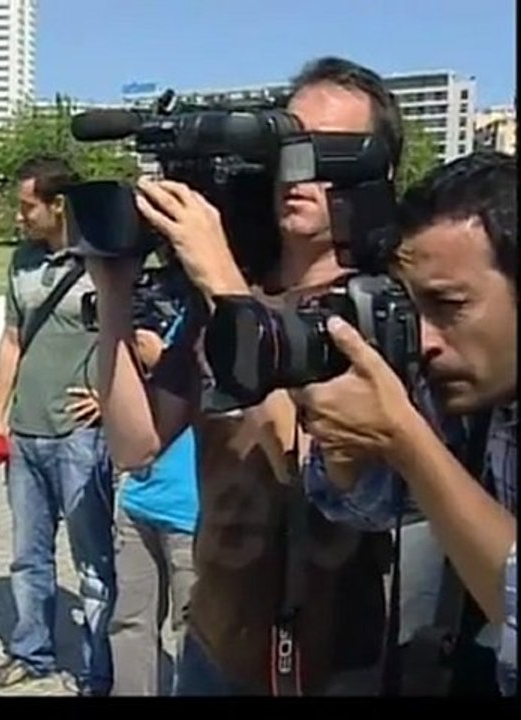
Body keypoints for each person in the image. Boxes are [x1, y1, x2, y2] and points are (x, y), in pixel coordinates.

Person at [89, 56, 404, 695]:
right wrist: (113, 298)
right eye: (286, 147)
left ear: (376, 169)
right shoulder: (233, 291)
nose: (297, 172)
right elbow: (135, 443)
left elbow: (314, 466)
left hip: (325, 665)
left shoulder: (382, 307)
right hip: (212, 643)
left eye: (325, 152)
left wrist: (224, 283)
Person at [295, 151, 516, 696]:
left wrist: (405, 438)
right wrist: (348, 445)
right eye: (411, 310)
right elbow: (368, 507)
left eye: (449, 305)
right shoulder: (479, 400)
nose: (426, 341)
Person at [0, 155, 115, 697]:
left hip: (81, 437)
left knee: (95, 563)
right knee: (28, 556)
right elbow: (12, 340)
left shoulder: (102, 258)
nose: (19, 217)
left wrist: (110, 398)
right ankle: (30, 654)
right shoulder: (21, 261)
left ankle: (99, 671)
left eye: (26, 206)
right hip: (26, 435)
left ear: (58, 205)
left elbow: (133, 334)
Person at [109, 319, 199, 696]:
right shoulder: (166, 321)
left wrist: (163, 361)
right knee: (130, 624)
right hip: (138, 501)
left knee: (194, 636)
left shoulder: (215, 328)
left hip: (191, 514)